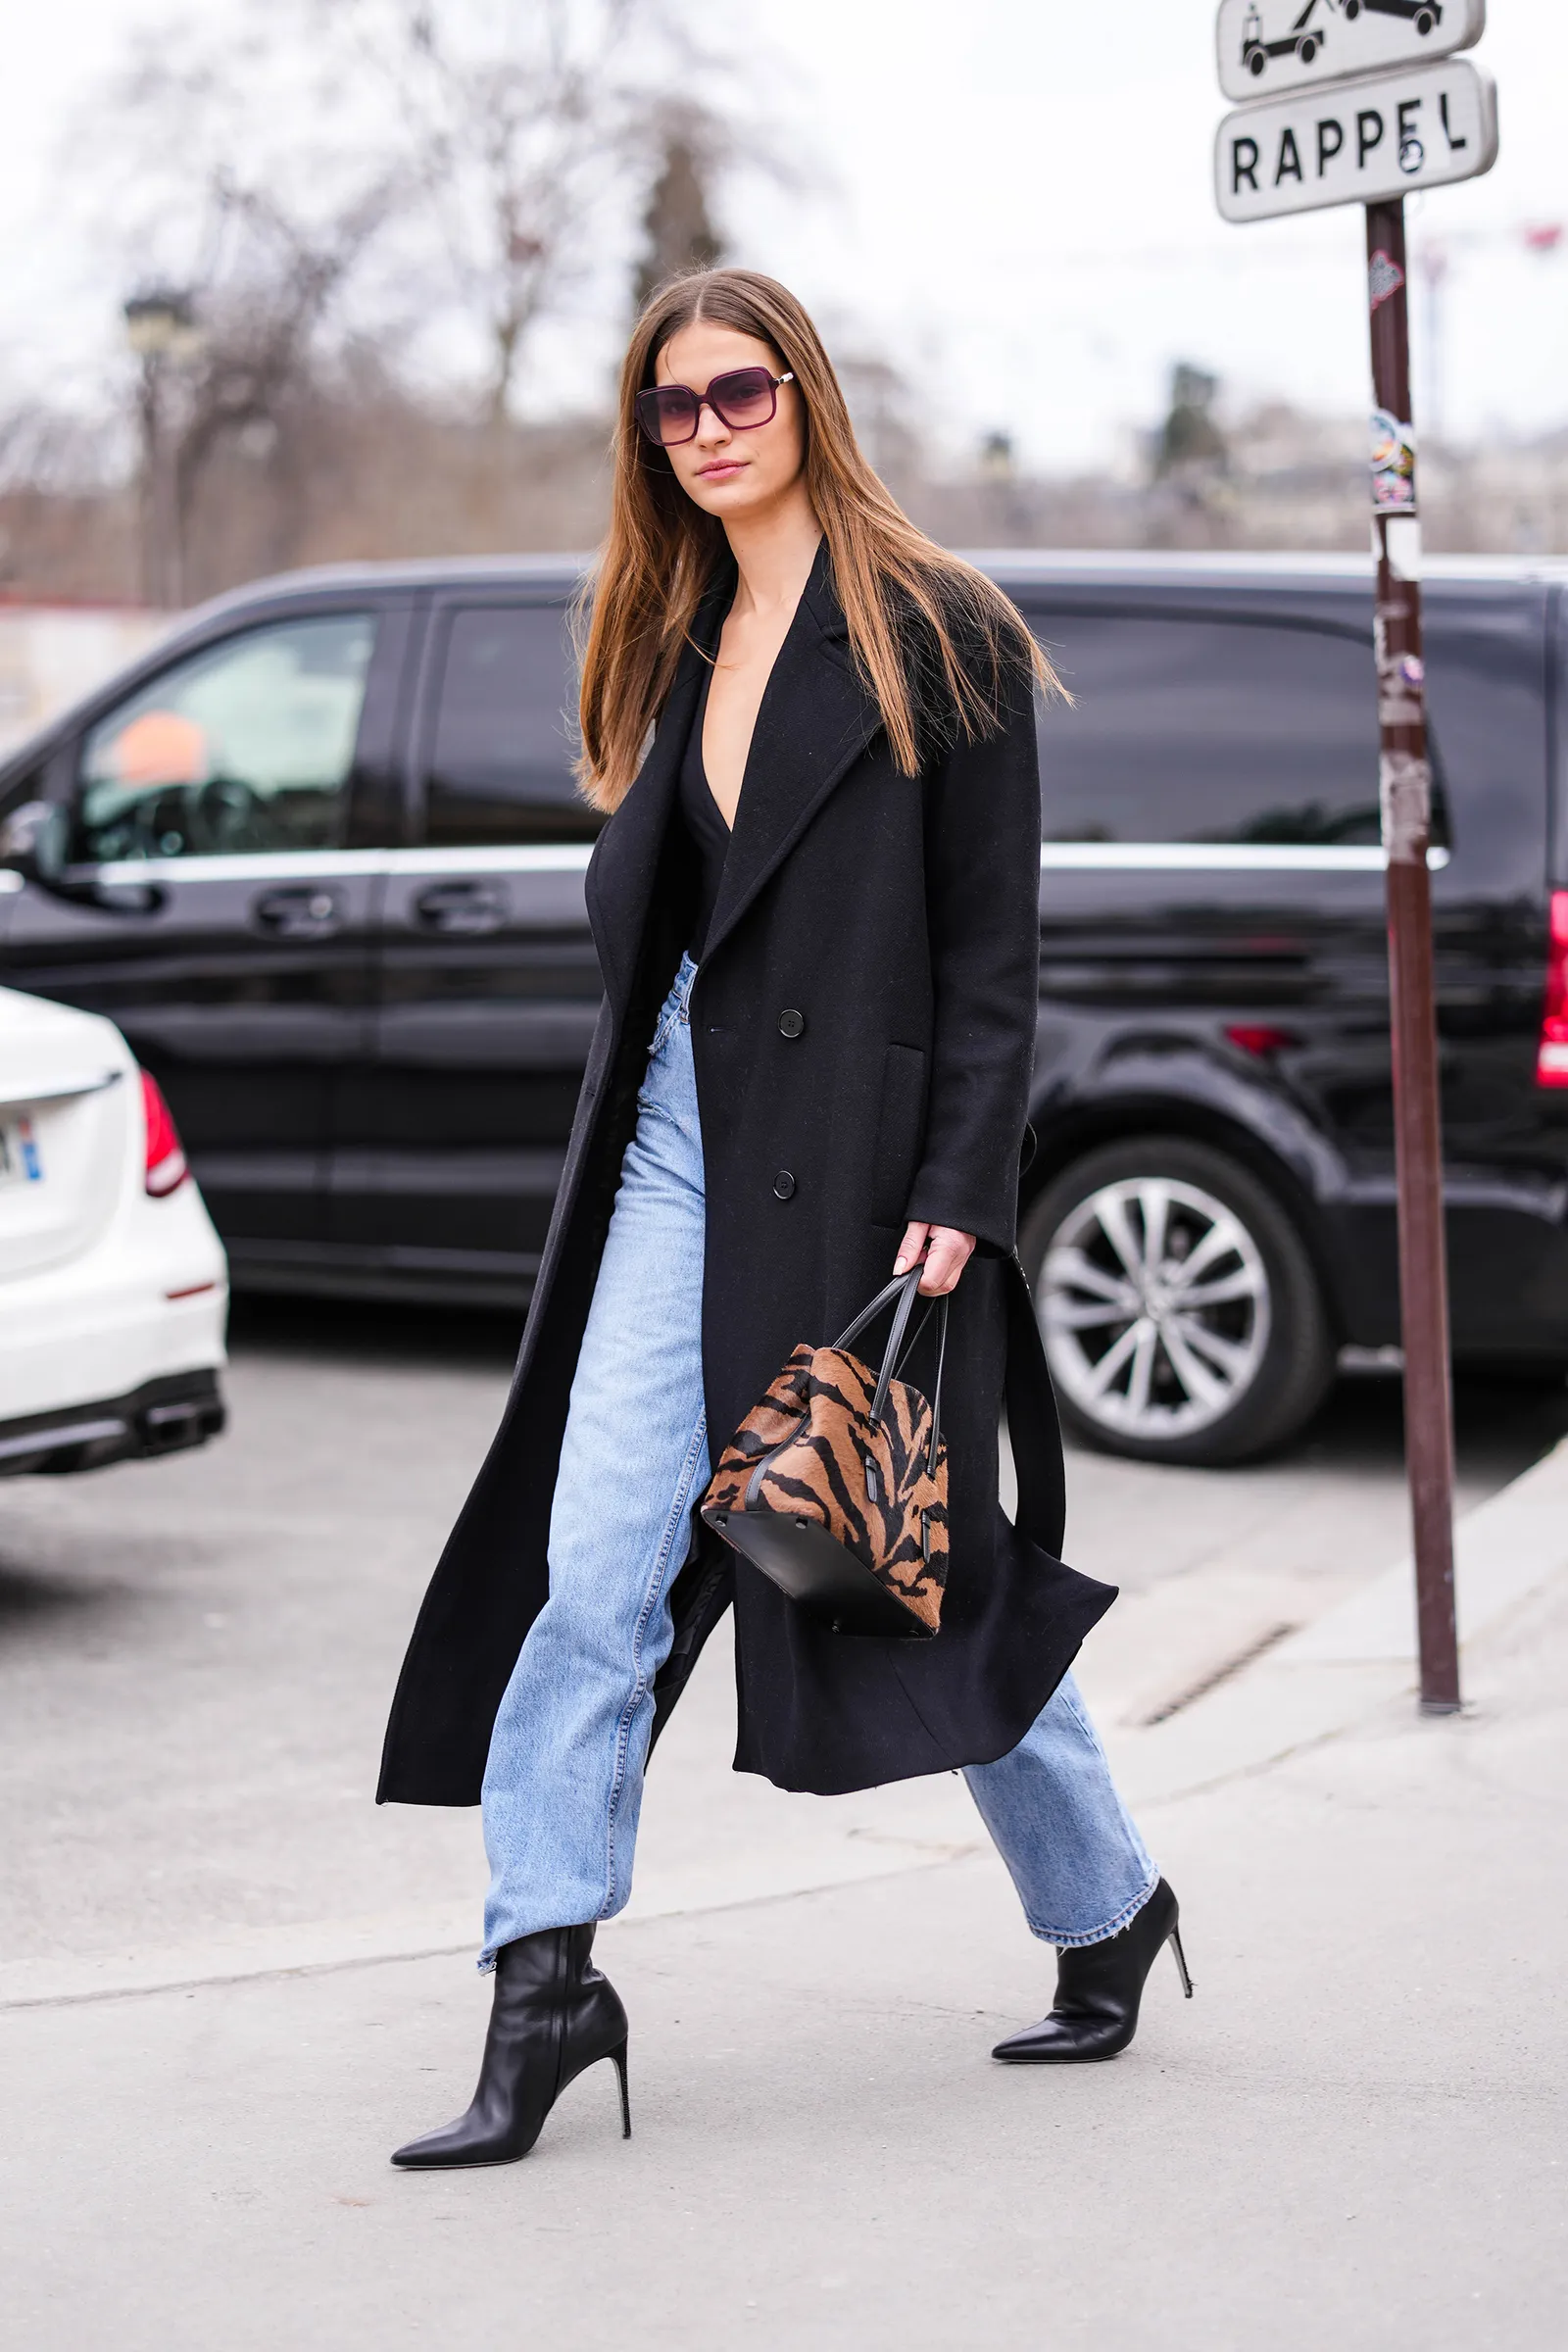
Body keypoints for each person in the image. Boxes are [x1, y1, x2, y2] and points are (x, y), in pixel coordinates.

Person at [377, 268, 1190, 2171]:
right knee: (597, 1567)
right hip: (674, 1133)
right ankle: (542, 1976)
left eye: (738, 391)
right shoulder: (670, 630)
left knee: (897, 1566)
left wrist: (958, 1195)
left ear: (806, 394)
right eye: (670, 408)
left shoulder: (942, 634)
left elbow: (994, 960)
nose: (708, 428)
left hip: (855, 1158)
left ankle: (1104, 1905)